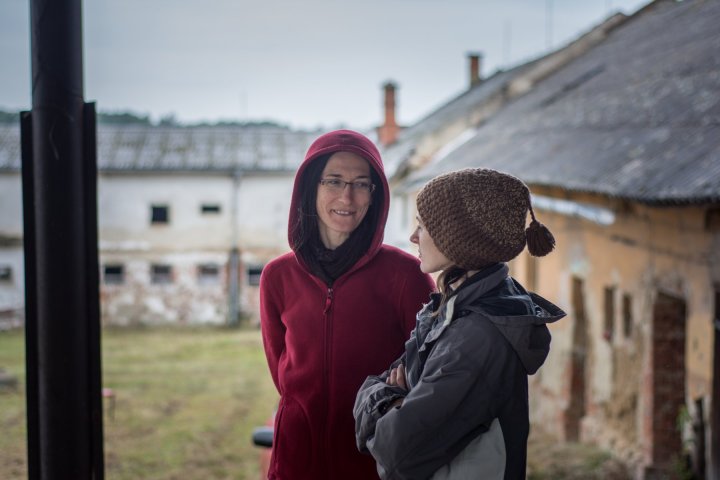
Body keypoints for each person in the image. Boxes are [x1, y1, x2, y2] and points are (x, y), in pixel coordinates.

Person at [354, 168, 566, 480]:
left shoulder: (477, 337)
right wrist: (393, 399)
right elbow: (380, 385)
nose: (413, 237)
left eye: (422, 226)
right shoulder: (449, 307)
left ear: (460, 240)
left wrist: (385, 399)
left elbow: (396, 453)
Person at [259, 129, 435, 480]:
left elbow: (427, 374)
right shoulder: (277, 276)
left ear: (374, 194)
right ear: (310, 187)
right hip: (297, 460)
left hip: (375, 462)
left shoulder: (406, 275)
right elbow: (282, 372)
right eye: (334, 181)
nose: (347, 196)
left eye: (361, 184)